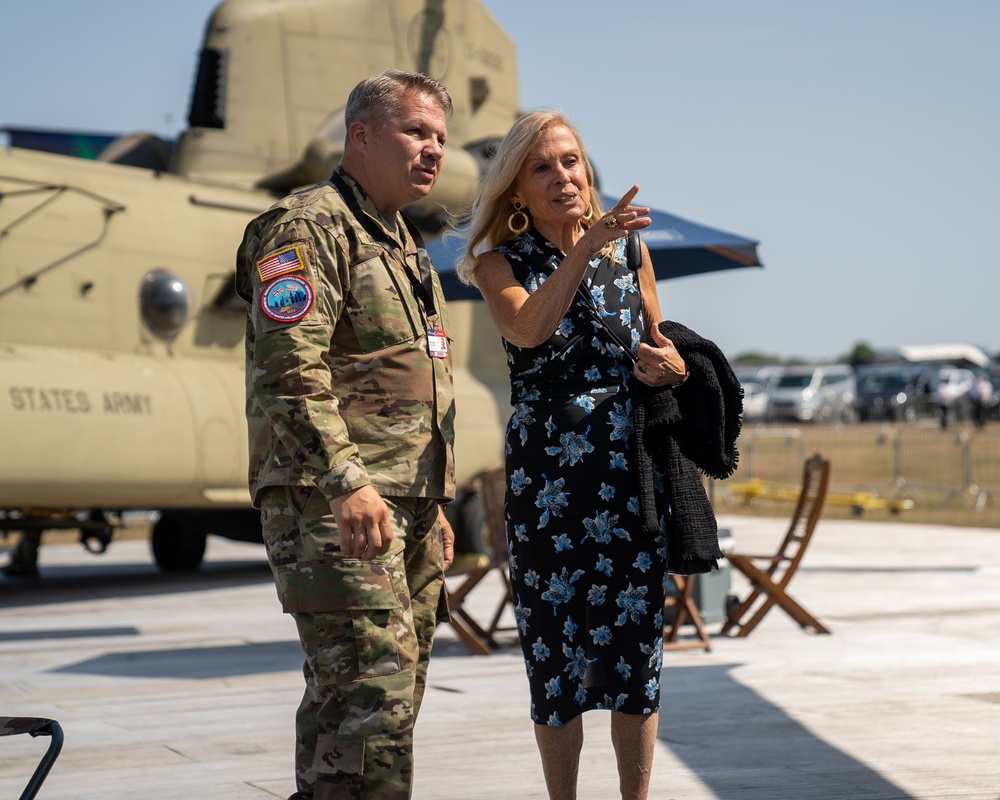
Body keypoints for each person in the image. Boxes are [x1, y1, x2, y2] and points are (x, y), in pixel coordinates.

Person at [456, 110, 693, 800]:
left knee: (635, 660)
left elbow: (658, 342)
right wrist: (582, 250)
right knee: (555, 662)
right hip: (548, 487)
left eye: (569, 161)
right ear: (516, 193)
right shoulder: (499, 262)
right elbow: (528, 329)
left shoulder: (634, 254)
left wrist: (670, 365)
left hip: (628, 481)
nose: (561, 177)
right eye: (541, 168)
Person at [236, 70, 457, 800]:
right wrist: (348, 481)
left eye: (440, 139)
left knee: (373, 711)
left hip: (406, 506)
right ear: (359, 135)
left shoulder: (403, 244)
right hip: (336, 504)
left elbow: (412, 382)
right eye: (416, 132)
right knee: (370, 699)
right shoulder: (309, 227)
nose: (433, 151)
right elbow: (288, 374)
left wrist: (435, 500)